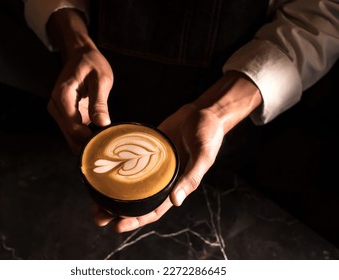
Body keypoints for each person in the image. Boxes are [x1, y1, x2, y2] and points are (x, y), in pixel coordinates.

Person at [21, 0, 339, 233]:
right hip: (84, 110)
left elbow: (323, 13)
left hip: (225, 134)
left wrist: (217, 111)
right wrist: (75, 41)